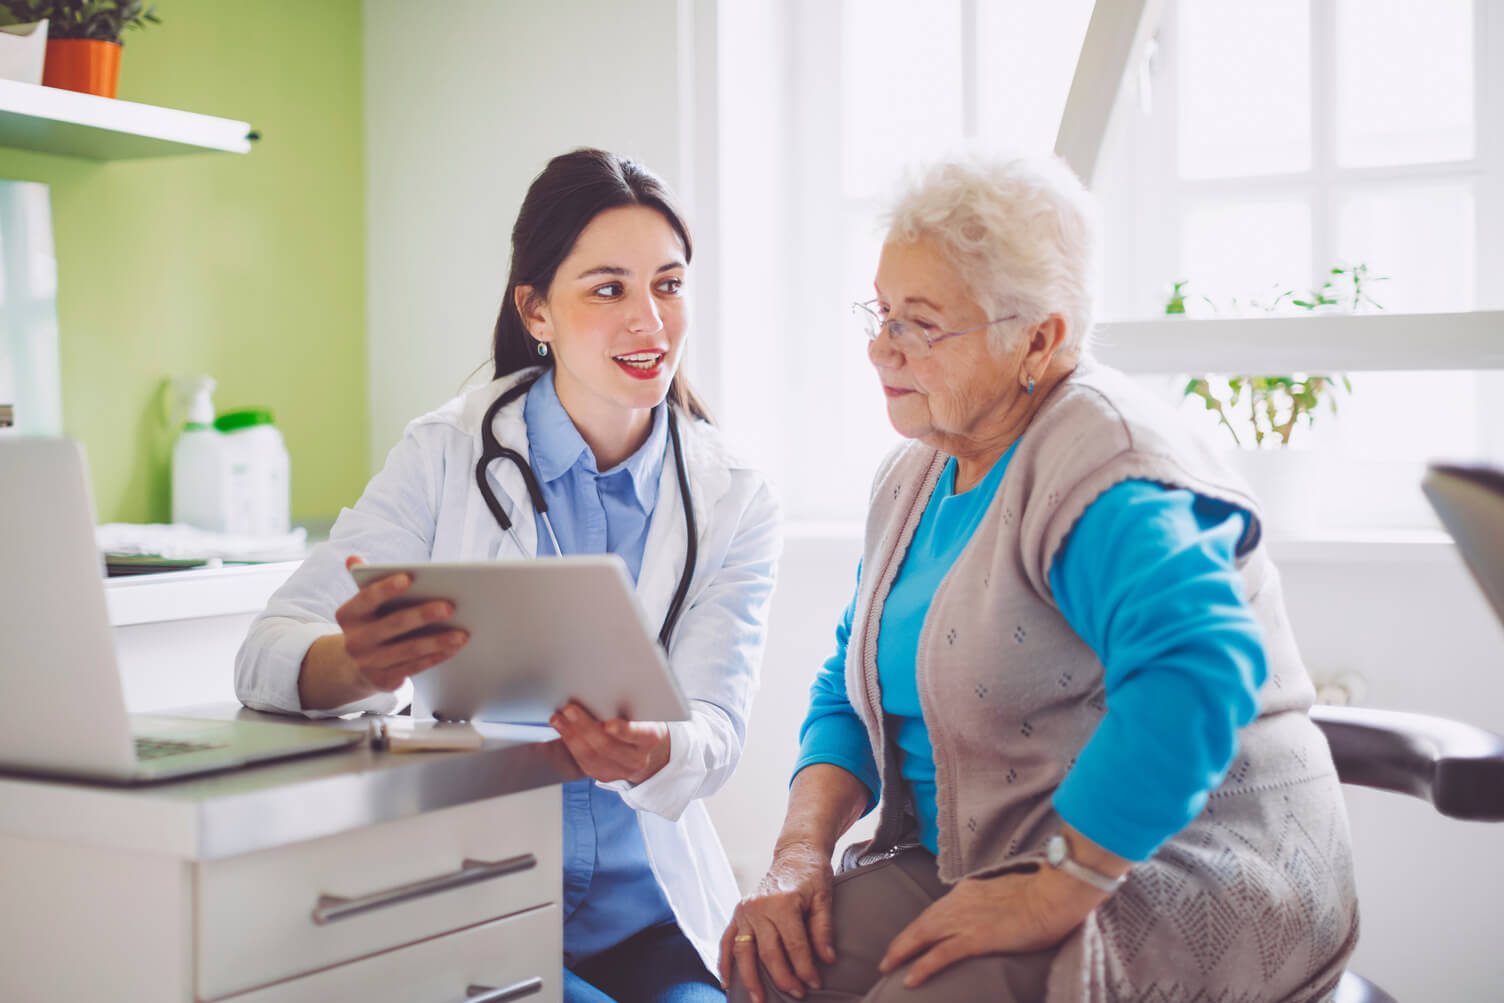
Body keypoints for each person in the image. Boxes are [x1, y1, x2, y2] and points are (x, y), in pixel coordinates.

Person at [720, 152, 1357, 1003]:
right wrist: (799, 851)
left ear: (1039, 338)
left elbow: (1200, 668)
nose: (881, 347)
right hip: (984, 858)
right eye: (880, 312)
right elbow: (852, 680)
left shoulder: (1105, 462)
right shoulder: (915, 471)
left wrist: (1056, 887)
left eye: (920, 322)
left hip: (1175, 866)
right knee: (771, 973)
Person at [235, 148, 780, 1003]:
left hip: (652, 917)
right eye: (609, 289)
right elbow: (265, 649)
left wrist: (652, 746)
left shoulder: (733, 496)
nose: (650, 321)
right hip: (481, 894)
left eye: (668, 286)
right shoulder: (446, 453)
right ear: (537, 310)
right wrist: (358, 662)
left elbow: (716, 725)